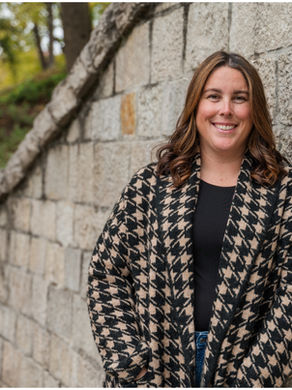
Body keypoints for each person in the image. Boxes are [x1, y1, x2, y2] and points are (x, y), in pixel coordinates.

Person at [87, 51, 291, 387]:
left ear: (254, 111)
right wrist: (128, 362)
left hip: (245, 371)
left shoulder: (283, 192)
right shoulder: (150, 185)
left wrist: (254, 378)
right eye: (214, 97)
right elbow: (106, 273)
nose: (226, 109)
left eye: (239, 99)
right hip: (154, 368)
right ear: (196, 106)